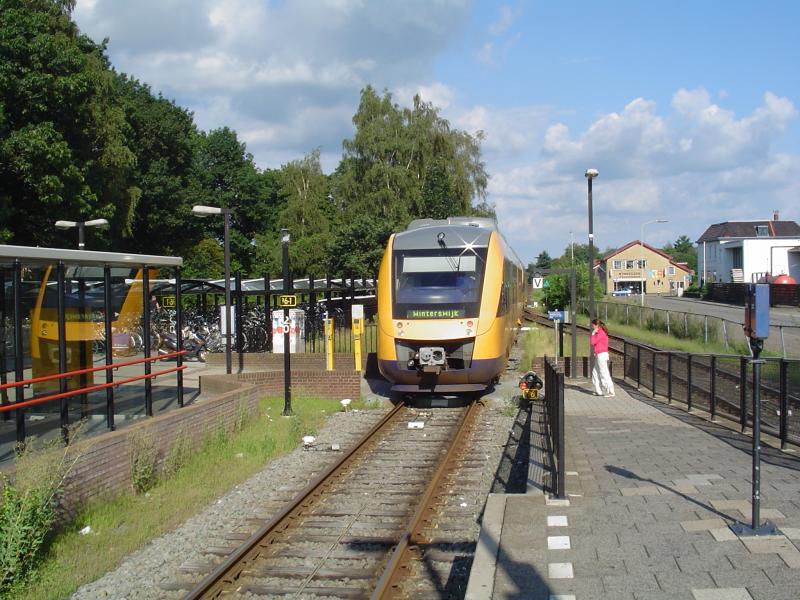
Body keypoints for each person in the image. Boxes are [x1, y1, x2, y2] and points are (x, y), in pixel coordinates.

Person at [590, 318, 615, 397]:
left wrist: (593, 334)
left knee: (604, 373)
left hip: (601, 355)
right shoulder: (600, 332)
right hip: (599, 354)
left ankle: (611, 391)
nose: (592, 327)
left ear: (596, 325)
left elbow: (593, 342)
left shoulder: (601, 333)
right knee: (595, 372)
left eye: (593, 325)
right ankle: (598, 391)